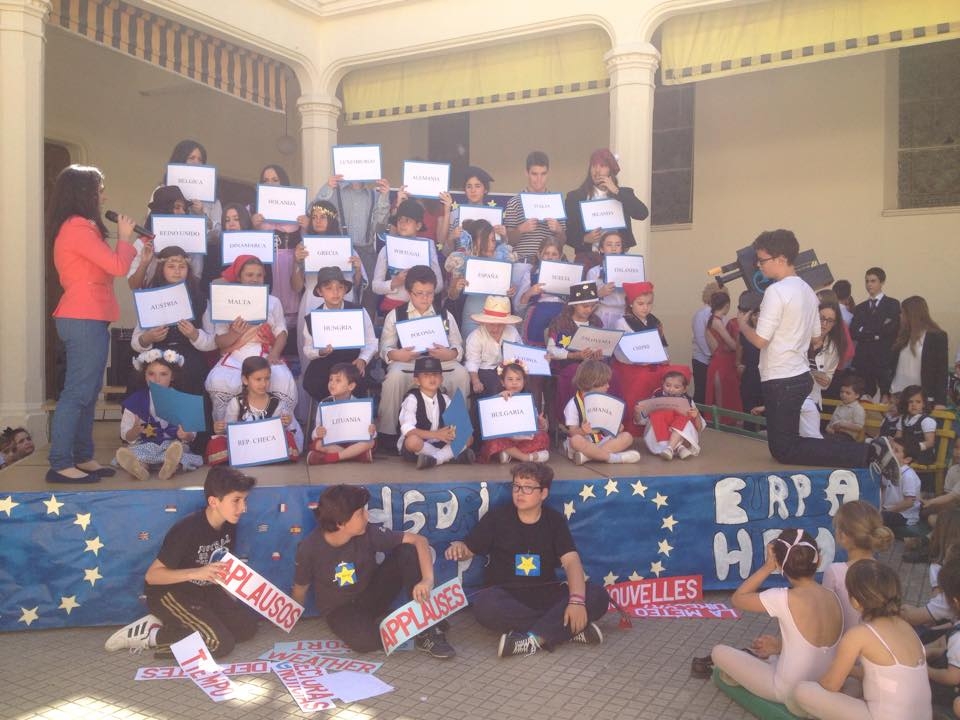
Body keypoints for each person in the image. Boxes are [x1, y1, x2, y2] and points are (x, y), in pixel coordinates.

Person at [735, 230, 898, 477]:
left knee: (785, 450)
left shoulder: (776, 292)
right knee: (787, 445)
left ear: (780, 258)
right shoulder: (807, 291)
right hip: (800, 377)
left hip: (781, 377)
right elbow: (816, 337)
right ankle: (867, 452)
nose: (759, 266)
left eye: (762, 260)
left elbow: (760, 340)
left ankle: (867, 452)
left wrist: (743, 324)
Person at [445, 462, 610, 658]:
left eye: (528, 487)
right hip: (508, 595)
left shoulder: (554, 521)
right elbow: (469, 549)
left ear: (543, 493)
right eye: (516, 486)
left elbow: (571, 561)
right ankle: (567, 631)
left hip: (546, 593)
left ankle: (533, 639)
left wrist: (576, 602)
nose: (520, 493)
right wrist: (459, 549)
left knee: (598, 596)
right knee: (484, 606)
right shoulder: (497, 518)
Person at [104, 466, 259, 657]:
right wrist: (196, 573)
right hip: (170, 593)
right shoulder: (187, 529)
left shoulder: (229, 525)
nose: (243, 508)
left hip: (203, 590)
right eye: (236, 500)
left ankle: (180, 624)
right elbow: (152, 576)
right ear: (213, 501)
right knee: (220, 643)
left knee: (246, 628)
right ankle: (153, 634)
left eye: (245, 500)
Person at [47, 164, 138, 483]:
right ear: (84, 193)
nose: (104, 195)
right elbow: (116, 265)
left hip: (90, 315)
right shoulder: (76, 228)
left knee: (88, 391)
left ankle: (82, 456)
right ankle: (60, 462)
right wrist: (125, 238)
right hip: (82, 315)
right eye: (99, 190)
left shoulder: (80, 226)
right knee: (77, 393)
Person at [292, 484, 455, 657]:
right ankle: (411, 621)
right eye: (360, 513)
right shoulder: (309, 548)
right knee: (365, 642)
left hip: (370, 596)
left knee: (406, 551)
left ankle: (426, 627)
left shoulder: (368, 533)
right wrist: (293, 618)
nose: (367, 516)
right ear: (340, 523)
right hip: (339, 610)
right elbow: (300, 588)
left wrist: (427, 580)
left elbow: (419, 540)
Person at [711, 529, 843, 716]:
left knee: (719, 652)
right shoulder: (832, 596)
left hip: (785, 689)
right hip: (823, 682)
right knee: (771, 655)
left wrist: (767, 567)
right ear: (819, 560)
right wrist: (779, 646)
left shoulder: (783, 598)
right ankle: (772, 660)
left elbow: (738, 598)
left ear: (780, 565)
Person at [793, 559, 931, 720]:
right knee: (854, 683)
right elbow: (890, 676)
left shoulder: (859, 635)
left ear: (855, 602)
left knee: (803, 690)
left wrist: (820, 681)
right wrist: (850, 672)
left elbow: (830, 685)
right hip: (923, 716)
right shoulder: (906, 626)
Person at [376, 265, 470, 440]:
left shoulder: (444, 315)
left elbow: (457, 344)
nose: (425, 298)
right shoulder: (396, 315)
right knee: (394, 377)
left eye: (429, 293)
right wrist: (396, 355)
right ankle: (387, 433)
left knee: (461, 374)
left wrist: (449, 354)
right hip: (408, 364)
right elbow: (385, 347)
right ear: (409, 292)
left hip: (440, 363)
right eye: (419, 293)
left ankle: (458, 432)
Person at [203, 255, 298, 423]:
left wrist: (274, 354)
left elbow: (281, 332)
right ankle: (228, 431)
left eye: (259, 275)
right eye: (249, 275)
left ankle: (277, 428)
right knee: (218, 380)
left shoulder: (273, 301)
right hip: (235, 353)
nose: (255, 279)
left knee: (282, 379)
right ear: (239, 277)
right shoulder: (225, 301)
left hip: (264, 353)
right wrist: (235, 333)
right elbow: (219, 341)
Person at [131, 245, 216, 397]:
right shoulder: (149, 297)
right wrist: (148, 338)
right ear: (161, 268)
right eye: (171, 266)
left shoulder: (200, 298)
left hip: (190, 360)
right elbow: (136, 341)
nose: (177, 271)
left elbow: (212, 341)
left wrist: (195, 335)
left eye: (182, 266)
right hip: (155, 358)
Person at [114, 349, 203, 482]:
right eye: (151, 374)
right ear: (145, 375)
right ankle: (140, 468)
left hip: (171, 445)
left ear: (172, 376)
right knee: (136, 453)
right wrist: (133, 431)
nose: (157, 379)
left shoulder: (182, 400)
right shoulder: (135, 400)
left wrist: (186, 435)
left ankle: (169, 467)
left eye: (163, 374)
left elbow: (191, 434)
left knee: (179, 453)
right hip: (145, 445)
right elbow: (125, 435)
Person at [313, 172, 392, 319]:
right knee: (337, 293)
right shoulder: (334, 191)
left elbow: (380, 228)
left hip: (366, 252)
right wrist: (327, 187)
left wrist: (385, 196)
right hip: (339, 251)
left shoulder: (374, 194)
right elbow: (313, 210)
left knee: (368, 300)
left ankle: (364, 335)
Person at [301, 266, 377, 403]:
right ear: (320, 291)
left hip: (353, 360)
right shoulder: (312, 318)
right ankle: (329, 412)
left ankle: (352, 414)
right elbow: (307, 349)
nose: (335, 293)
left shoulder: (358, 311)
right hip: (325, 362)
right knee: (313, 382)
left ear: (345, 290)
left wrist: (363, 359)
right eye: (329, 288)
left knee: (356, 380)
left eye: (340, 288)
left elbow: (371, 341)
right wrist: (321, 352)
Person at [251, 164, 309, 344]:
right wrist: (252, 225)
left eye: (275, 179)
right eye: (266, 180)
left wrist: (306, 225)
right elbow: (245, 242)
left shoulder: (298, 207)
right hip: (265, 264)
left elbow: (306, 241)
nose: (271, 183)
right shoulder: (254, 208)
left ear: (283, 181)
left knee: (292, 296)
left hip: (290, 261)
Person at [208, 356, 302, 465]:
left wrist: (286, 422)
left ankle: (267, 457)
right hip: (244, 445)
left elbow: (276, 431)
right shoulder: (236, 402)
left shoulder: (276, 402)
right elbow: (230, 428)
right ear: (245, 380)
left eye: (267, 378)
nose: (263, 384)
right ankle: (254, 458)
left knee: (289, 438)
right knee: (215, 444)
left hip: (267, 443)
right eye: (258, 379)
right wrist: (220, 429)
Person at [563, 148, 649, 266]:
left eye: (602, 166)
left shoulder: (623, 193)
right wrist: (584, 238)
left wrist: (616, 191)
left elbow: (642, 213)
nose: (597, 171)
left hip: (618, 258)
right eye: (594, 166)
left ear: (611, 170)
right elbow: (566, 231)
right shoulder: (575, 197)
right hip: (588, 257)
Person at [821, 501, 894, 632]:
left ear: (842, 536)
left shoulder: (834, 572)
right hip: (877, 644)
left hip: (845, 644)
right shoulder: (885, 573)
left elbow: (827, 617)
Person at [611, 281, 671, 436]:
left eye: (649, 304)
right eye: (640, 304)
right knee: (642, 378)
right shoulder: (622, 323)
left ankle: (658, 426)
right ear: (631, 303)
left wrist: (663, 357)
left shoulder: (655, 322)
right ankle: (632, 428)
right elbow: (621, 352)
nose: (645, 307)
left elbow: (663, 346)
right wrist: (644, 360)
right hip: (630, 367)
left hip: (653, 364)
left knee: (668, 377)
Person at [444, 219, 517, 338]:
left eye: (493, 240)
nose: (491, 244)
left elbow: (510, 287)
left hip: (500, 318)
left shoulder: (503, 257)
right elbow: (452, 295)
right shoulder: (463, 260)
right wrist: (457, 288)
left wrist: (512, 290)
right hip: (473, 317)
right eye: (485, 240)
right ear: (473, 240)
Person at [399, 356, 475, 469]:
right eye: (426, 375)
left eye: (435, 374)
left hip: (441, 442)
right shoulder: (412, 399)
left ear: (442, 378)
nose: (432, 378)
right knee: (412, 441)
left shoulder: (445, 399)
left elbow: (459, 425)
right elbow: (408, 430)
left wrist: (453, 432)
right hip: (421, 445)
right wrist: (436, 434)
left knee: (468, 437)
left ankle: (435, 459)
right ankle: (448, 456)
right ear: (417, 380)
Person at [371, 199, 444, 315]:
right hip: (393, 307)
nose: (402, 224)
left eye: (408, 220)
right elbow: (375, 286)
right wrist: (394, 282)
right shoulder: (387, 248)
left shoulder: (428, 247)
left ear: (418, 225)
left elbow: (439, 284)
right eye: (399, 220)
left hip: (422, 309)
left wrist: (422, 290)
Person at [563, 360, 640, 465]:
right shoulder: (573, 404)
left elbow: (609, 428)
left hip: (602, 440)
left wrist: (617, 428)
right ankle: (614, 458)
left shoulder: (606, 401)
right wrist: (582, 431)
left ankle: (588, 456)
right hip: (584, 442)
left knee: (627, 437)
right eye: (605, 383)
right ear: (592, 382)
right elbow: (573, 432)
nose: (608, 386)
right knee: (575, 440)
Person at [547, 281, 605, 421]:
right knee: (575, 373)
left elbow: (602, 343)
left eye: (592, 306)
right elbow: (551, 349)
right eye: (584, 306)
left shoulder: (596, 321)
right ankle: (571, 420)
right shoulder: (560, 322)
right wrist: (574, 355)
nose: (588, 310)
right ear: (573, 305)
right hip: (566, 366)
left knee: (609, 375)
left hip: (592, 365)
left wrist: (598, 354)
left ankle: (602, 418)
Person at [477, 361, 550, 465]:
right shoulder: (498, 398)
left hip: (524, 440)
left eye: (518, 379)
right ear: (502, 382)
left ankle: (509, 455)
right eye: (510, 379)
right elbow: (490, 418)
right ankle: (525, 457)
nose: (514, 382)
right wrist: (499, 397)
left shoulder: (528, 401)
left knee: (543, 437)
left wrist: (542, 424)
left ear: (524, 381)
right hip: (506, 439)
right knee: (494, 440)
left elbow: (536, 427)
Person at [307, 363, 376, 465]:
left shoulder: (359, 405)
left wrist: (372, 430)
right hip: (333, 442)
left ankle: (331, 458)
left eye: (338, 380)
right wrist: (318, 432)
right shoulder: (324, 404)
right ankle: (357, 456)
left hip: (353, 442)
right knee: (318, 444)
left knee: (370, 442)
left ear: (351, 386)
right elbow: (315, 432)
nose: (332, 384)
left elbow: (371, 433)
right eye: (331, 379)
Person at [503, 151, 566, 261]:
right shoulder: (514, 202)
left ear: (548, 173)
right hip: (523, 261)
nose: (539, 179)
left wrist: (559, 230)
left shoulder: (556, 202)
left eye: (543, 174)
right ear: (527, 173)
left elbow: (562, 242)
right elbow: (508, 241)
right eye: (534, 174)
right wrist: (521, 229)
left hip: (549, 261)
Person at [849, 267, 900, 402]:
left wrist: (864, 331)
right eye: (867, 281)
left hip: (883, 360)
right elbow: (853, 332)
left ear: (882, 282)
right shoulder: (860, 308)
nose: (869, 284)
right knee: (863, 400)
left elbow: (890, 329)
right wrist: (876, 333)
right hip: (863, 361)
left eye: (873, 281)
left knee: (885, 400)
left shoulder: (892, 304)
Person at [126, 184, 190, 291]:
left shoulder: (193, 242)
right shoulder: (142, 244)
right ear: (164, 209)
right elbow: (133, 286)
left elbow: (196, 276)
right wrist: (144, 263)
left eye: (184, 208)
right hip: (153, 304)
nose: (183, 212)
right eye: (177, 207)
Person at [890, 295, 949, 408]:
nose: (900, 316)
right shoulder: (902, 335)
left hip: (922, 398)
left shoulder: (937, 336)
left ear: (912, 314)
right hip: (898, 394)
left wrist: (940, 402)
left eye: (903, 313)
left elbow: (942, 371)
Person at [435, 166, 508, 255]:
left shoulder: (494, 216)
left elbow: (501, 252)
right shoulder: (455, 215)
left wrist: (504, 236)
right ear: (465, 190)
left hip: (489, 265)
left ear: (485, 190)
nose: (473, 190)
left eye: (477, 186)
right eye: (469, 186)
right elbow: (444, 250)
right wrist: (451, 238)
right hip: (461, 264)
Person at [636, 369, 705, 460]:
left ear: (684, 389)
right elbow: (641, 421)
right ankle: (678, 448)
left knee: (684, 416)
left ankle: (671, 448)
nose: (671, 389)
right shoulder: (656, 397)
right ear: (662, 384)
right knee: (658, 414)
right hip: (659, 441)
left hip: (682, 438)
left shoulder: (688, 401)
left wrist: (697, 416)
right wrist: (637, 412)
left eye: (677, 387)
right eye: (667, 385)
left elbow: (699, 428)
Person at [464, 296, 523, 398]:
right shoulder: (476, 336)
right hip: (484, 370)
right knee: (496, 386)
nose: (495, 329)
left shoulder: (512, 332)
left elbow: (521, 353)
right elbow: (472, 362)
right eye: (491, 324)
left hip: (508, 369)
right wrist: (476, 381)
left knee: (523, 383)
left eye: (500, 324)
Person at [927, 558, 960, 717]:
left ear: (955, 601)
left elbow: (952, 677)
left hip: (951, 693)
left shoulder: (958, 639)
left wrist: (926, 671)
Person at [703, 291, 742, 418]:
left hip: (718, 361)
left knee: (721, 396)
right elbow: (731, 344)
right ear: (726, 305)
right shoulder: (717, 322)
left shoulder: (711, 320)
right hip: (723, 363)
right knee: (724, 397)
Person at [584, 231, 629, 328]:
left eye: (618, 245)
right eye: (609, 245)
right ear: (601, 249)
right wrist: (599, 293)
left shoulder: (631, 270)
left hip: (625, 316)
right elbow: (586, 302)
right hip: (602, 315)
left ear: (621, 249)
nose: (613, 248)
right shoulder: (593, 272)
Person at [692, 281, 727, 405]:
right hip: (703, 360)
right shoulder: (702, 314)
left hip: (717, 360)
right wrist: (712, 356)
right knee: (702, 393)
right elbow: (701, 337)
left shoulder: (722, 315)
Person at [880, 437, 921, 530]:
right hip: (888, 511)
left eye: (896, 451)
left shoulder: (908, 475)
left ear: (907, 459)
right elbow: (883, 489)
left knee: (875, 518)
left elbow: (909, 502)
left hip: (904, 515)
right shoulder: (888, 470)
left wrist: (886, 511)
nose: (891, 452)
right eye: (891, 448)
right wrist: (880, 507)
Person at [895, 385, 937, 465]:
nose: (914, 405)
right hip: (906, 453)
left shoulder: (926, 420)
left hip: (922, 456)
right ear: (905, 403)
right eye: (910, 401)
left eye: (918, 402)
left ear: (924, 404)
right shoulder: (903, 419)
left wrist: (913, 448)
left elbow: (930, 442)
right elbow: (898, 438)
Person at [825, 376, 866, 441]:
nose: (843, 395)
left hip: (847, 437)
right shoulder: (840, 406)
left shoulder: (858, 409)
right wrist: (828, 428)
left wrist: (843, 424)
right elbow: (832, 422)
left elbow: (859, 427)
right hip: (834, 435)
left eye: (848, 393)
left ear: (857, 395)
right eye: (842, 392)